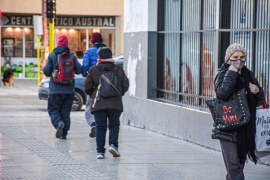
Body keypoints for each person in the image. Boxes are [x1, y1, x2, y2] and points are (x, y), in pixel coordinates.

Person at [214, 43, 265, 180]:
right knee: (234, 168)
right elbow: (222, 93)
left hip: (245, 129)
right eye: (235, 57)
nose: (239, 60)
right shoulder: (223, 74)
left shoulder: (248, 74)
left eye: (242, 57)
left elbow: (260, 100)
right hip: (228, 128)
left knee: (237, 167)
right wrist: (231, 72)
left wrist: (258, 91)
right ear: (228, 59)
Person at [84, 47, 129, 159]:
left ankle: (100, 152)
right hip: (115, 103)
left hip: (98, 103)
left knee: (100, 127)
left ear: (99, 57)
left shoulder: (94, 69)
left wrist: (93, 94)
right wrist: (119, 93)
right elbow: (125, 84)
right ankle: (113, 145)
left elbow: (87, 86)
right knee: (114, 125)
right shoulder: (118, 69)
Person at [43, 35, 81, 139]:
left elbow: (46, 72)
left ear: (58, 44)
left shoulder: (52, 56)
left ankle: (58, 123)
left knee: (53, 109)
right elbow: (79, 70)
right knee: (66, 111)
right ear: (67, 44)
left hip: (55, 90)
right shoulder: (72, 56)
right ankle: (64, 133)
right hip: (69, 90)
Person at [81, 32, 106, 138]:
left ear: (92, 40)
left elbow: (85, 66)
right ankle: (101, 124)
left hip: (93, 83)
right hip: (105, 83)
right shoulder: (106, 51)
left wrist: (84, 74)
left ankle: (93, 123)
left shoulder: (89, 51)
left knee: (90, 104)